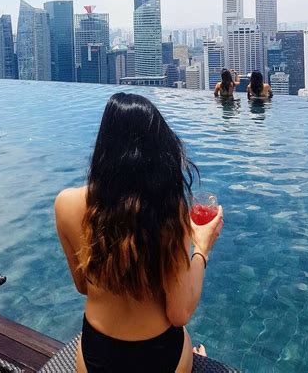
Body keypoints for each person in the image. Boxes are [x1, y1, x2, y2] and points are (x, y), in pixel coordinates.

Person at [54, 93, 224, 373]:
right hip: (159, 359)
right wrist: (202, 248)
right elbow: (179, 313)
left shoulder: (66, 204)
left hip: (97, 358)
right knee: (188, 341)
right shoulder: (169, 212)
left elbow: (83, 285)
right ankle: (195, 356)